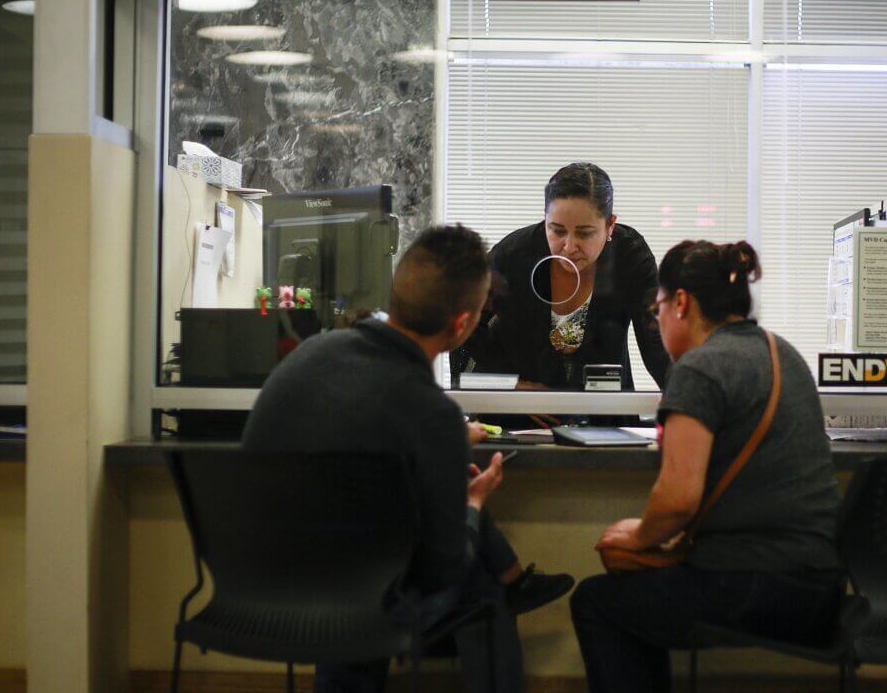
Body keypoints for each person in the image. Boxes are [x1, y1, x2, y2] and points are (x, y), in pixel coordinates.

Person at [243, 225, 572, 693]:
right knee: (480, 585)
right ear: (462, 325)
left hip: (254, 578)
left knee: (363, 560)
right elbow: (442, 569)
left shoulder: (313, 352)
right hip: (353, 601)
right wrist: (473, 505)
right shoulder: (430, 410)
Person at [569, 240, 843, 693]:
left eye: (657, 307)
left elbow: (678, 500)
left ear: (681, 302)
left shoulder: (699, 370)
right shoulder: (783, 353)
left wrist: (639, 537)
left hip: (755, 588)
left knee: (598, 603)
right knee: (642, 598)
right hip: (821, 589)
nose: (656, 321)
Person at [451, 163, 670, 412]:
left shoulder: (630, 256)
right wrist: (510, 386)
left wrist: (682, 396)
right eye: (557, 231)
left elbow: (657, 342)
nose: (568, 246)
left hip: (604, 409)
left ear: (610, 225)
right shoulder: (514, 254)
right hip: (525, 415)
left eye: (584, 233)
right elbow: (463, 323)